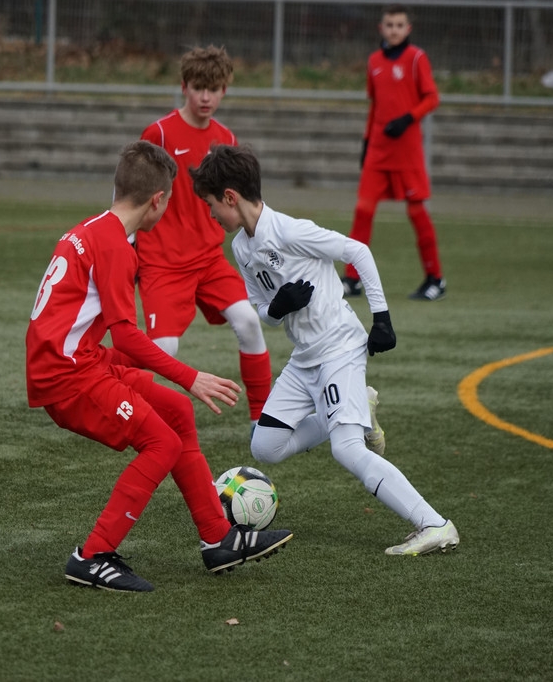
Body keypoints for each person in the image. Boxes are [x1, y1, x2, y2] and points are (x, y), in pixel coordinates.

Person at [25, 141, 292, 592]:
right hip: (67, 376)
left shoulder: (92, 229)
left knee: (176, 412)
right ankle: (92, 556)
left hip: (80, 361)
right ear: (158, 201)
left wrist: (163, 374)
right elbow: (126, 335)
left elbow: (102, 337)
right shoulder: (115, 246)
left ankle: (218, 538)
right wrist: (191, 377)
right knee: (162, 443)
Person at [191, 144, 459, 556]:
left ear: (230, 197)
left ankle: (434, 524)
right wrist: (277, 308)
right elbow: (263, 311)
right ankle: (357, 407)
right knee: (265, 445)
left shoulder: (290, 231)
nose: (210, 215)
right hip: (305, 359)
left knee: (346, 448)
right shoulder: (242, 247)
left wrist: (382, 318)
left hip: (340, 348)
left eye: (211, 205)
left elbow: (357, 251)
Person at [136, 45, 273, 425]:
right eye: (199, 88)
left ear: (224, 90)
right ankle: (133, 410)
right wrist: (125, 242)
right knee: (164, 348)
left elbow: (237, 200)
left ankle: (261, 419)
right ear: (184, 87)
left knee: (248, 321)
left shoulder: (225, 137)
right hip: (162, 262)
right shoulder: (159, 132)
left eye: (214, 89)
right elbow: (132, 188)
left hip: (209, 260)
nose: (206, 97)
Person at [342, 3, 446, 302]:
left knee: (416, 212)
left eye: (400, 25)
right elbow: (375, 106)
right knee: (363, 210)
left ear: (408, 29)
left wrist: (407, 119)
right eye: (389, 25)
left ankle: (435, 279)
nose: (394, 30)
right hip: (378, 149)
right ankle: (352, 279)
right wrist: (366, 142)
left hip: (407, 151)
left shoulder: (416, 58)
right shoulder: (374, 60)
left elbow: (432, 98)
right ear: (381, 28)